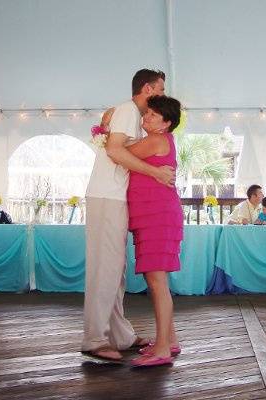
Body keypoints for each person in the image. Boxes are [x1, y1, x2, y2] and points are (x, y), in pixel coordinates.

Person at [82, 69, 175, 362]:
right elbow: (115, 151)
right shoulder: (126, 111)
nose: (162, 96)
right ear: (148, 89)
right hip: (107, 196)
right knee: (105, 267)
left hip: (116, 197)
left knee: (115, 269)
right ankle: (95, 338)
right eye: (160, 89)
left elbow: (120, 147)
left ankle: (120, 334)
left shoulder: (132, 117)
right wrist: (156, 172)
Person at [126, 95, 183, 367]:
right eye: (146, 113)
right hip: (157, 215)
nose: (145, 118)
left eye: (152, 115)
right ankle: (169, 340)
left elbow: (118, 153)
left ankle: (162, 348)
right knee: (158, 282)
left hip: (157, 217)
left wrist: (106, 133)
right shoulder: (160, 139)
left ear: (166, 123)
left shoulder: (155, 140)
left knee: (157, 283)